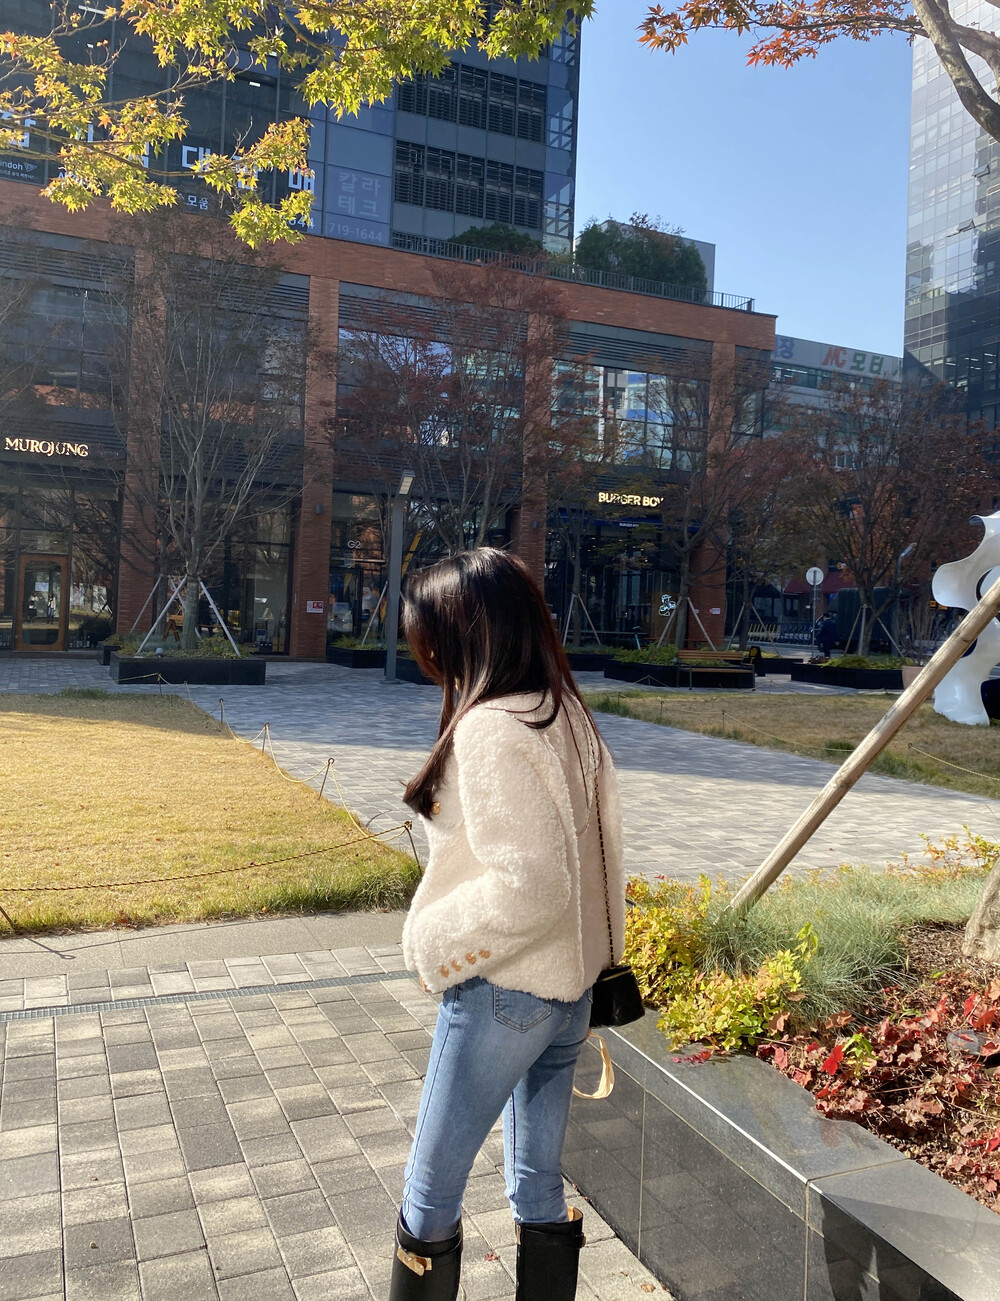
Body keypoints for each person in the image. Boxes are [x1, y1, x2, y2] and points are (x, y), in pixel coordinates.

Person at [391, 548, 625, 1301]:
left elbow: (532, 884)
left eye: (428, 638)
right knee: (537, 1182)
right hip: (569, 992)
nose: (426, 655)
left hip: (505, 992)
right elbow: (599, 861)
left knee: (431, 1189)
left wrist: (431, 941)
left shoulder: (491, 727)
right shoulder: (565, 714)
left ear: (462, 636)